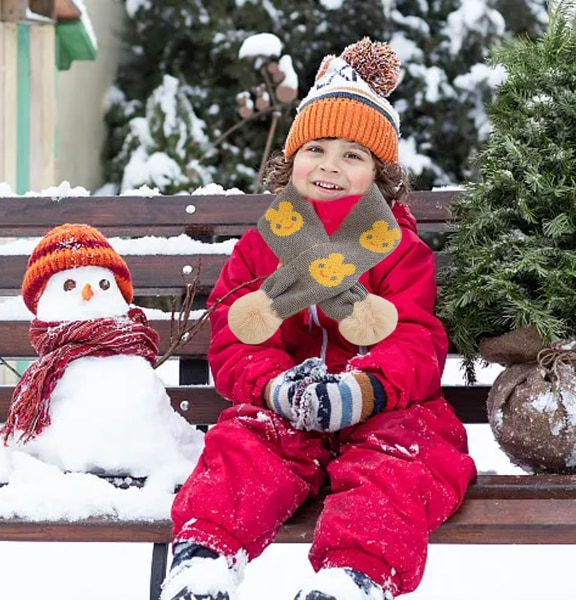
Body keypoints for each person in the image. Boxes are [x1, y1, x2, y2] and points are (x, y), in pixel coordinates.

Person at [160, 37, 477, 600]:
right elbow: (236, 337)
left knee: (403, 460)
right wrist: (274, 387)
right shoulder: (263, 247)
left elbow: (413, 338)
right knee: (245, 445)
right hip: (288, 405)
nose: (330, 166)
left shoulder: (397, 249)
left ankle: (354, 576)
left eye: (353, 156)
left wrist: (362, 389)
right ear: (291, 159)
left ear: (380, 177)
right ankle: (204, 559)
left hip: (383, 407)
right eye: (317, 149)